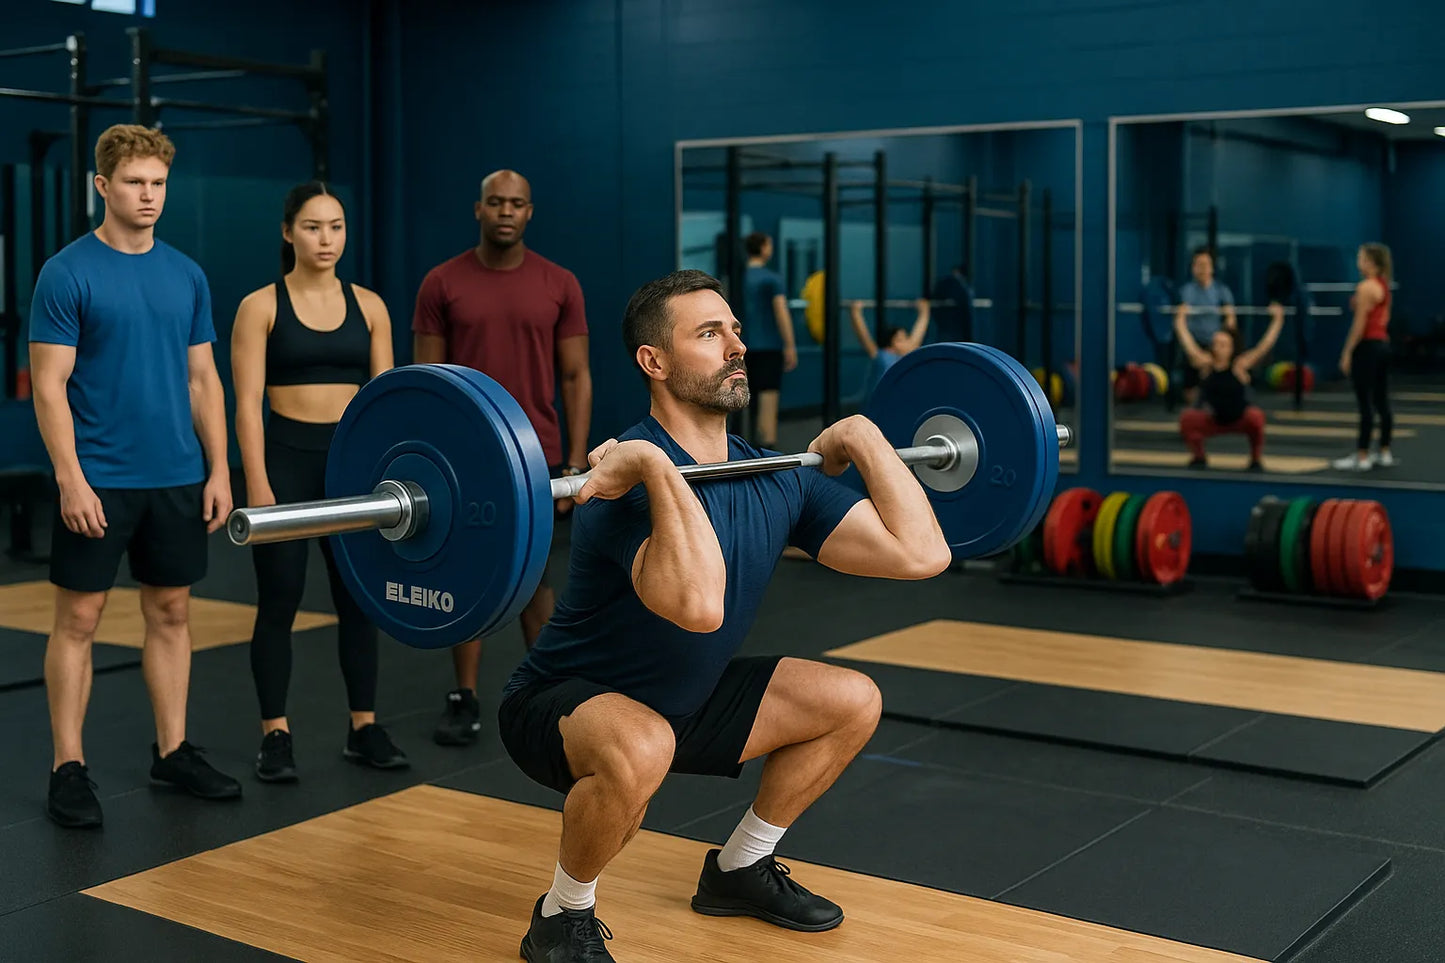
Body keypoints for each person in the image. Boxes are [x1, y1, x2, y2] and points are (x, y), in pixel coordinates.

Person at [498, 269, 952, 962]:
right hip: (563, 705)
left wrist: (862, 437)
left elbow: (922, 554)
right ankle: (561, 914)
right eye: (709, 334)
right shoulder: (618, 480)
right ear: (653, 361)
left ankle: (739, 867)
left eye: (735, 329)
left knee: (852, 699)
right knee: (642, 744)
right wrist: (651, 462)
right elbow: (698, 607)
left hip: (686, 703)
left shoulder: (773, 474)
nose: (736, 345)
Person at [28, 124, 240, 829]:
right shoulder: (67, 272)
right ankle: (67, 764)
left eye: (157, 183)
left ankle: (172, 749)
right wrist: (70, 478)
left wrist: (219, 468)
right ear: (102, 186)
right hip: (101, 478)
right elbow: (50, 386)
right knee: (80, 618)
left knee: (172, 612)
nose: (148, 195)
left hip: (176, 476)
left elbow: (204, 379)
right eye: (133, 183)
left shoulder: (185, 273)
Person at [231, 182, 407, 782]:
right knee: (278, 599)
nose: (325, 238)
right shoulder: (260, 306)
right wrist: (256, 479)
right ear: (288, 232)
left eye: (335, 225)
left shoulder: (372, 306)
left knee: (358, 599)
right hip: (284, 458)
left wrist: (386, 480)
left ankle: (364, 726)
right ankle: (274, 735)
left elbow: (384, 402)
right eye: (312, 226)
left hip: (352, 465)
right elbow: (247, 401)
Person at [412, 169, 592, 747]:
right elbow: (426, 383)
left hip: (536, 455)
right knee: (466, 575)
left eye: (516, 203)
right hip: (463, 457)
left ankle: (546, 700)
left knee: (533, 579)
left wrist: (576, 461)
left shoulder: (559, 283)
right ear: (479, 209)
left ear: (529, 212)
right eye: (496, 202)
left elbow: (575, 375)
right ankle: (463, 697)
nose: (505, 211)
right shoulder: (441, 283)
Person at [1175, 301, 1285, 471]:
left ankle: (1255, 459)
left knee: (1256, 417)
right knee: (1187, 419)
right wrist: (1181, 319)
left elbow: (1265, 346)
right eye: (1216, 343)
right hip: (1213, 420)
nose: (1218, 347)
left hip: (1239, 419)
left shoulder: (1240, 365)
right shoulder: (1206, 364)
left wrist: (1278, 320)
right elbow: (1187, 343)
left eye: (1223, 344)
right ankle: (1198, 457)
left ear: (1232, 347)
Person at [1333, 243, 1395, 472]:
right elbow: (1384, 318)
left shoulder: (1366, 287)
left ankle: (1362, 455)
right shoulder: (1383, 286)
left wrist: (1347, 352)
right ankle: (1385, 451)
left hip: (1367, 347)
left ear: (1370, 262)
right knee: (1381, 400)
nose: (1358, 262)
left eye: (1361, 258)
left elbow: (1359, 324)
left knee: (1365, 403)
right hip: (1382, 346)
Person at [740, 232, 798, 448]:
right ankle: (766, 452)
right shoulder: (771, 279)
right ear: (764, 247)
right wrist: (790, 345)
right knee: (767, 398)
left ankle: (738, 449)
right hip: (769, 347)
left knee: (742, 398)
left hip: (741, 347)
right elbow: (781, 312)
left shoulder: (738, 278)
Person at [1173, 248, 1238, 405]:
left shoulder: (1222, 291)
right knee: (1192, 393)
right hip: (1194, 344)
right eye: (1198, 265)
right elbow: (1180, 321)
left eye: (1205, 264)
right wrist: (1194, 352)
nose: (1202, 269)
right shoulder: (1187, 291)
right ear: (1193, 268)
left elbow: (1231, 321)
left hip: (1216, 345)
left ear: (1212, 267)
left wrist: (1222, 347)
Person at [848, 298, 932, 405]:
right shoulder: (883, 357)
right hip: (877, 410)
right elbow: (863, 336)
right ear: (891, 345)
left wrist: (924, 313)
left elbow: (915, 340)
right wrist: (855, 312)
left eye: (906, 338)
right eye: (901, 339)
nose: (908, 342)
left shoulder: (905, 358)